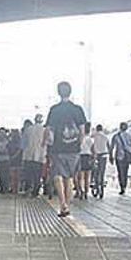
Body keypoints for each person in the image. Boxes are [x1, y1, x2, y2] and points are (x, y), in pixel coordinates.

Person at [45, 81, 87, 217]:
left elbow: (49, 130)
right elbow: (82, 131)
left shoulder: (54, 110)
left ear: (58, 92)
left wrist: (47, 144)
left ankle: (62, 203)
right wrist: (79, 144)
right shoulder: (78, 109)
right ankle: (67, 206)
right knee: (69, 178)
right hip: (73, 149)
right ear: (70, 92)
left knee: (57, 176)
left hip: (57, 148)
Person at [22, 114, 47, 196]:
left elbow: (24, 144)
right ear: (42, 121)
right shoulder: (45, 130)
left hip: (28, 155)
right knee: (37, 174)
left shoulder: (28, 129)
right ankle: (35, 191)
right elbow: (50, 141)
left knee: (29, 174)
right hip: (40, 156)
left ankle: (28, 189)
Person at [110, 122, 131, 195]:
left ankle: (122, 187)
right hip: (126, 156)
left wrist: (111, 156)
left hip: (119, 156)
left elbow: (112, 147)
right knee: (125, 172)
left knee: (121, 172)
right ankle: (124, 186)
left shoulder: (116, 136)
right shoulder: (130, 136)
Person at [91, 124, 110, 199]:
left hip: (96, 156)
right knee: (102, 173)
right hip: (104, 156)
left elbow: (92, 146)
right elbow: (109, 146)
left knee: (96, 172)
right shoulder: (105, 136)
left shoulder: (94, 136)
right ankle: (101, 189)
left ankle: (96, 186)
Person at [77, 122, 94, 200]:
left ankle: (81, 191)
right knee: (87, 177)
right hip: (88, 157)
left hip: (80, 157)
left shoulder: (79, 138)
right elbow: (93, 149)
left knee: (80, 177)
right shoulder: (90, 139)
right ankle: (86, 192)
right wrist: (94, 157)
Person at [0, 128, 11, 193]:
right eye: (0, 133)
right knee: (1, 175)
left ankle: (6, 188)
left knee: (6, 175)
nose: (1, 134)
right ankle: (2, 188)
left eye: (3, 133)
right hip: (0, 159)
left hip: (6, 159)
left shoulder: (7, 140)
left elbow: (8, 150)